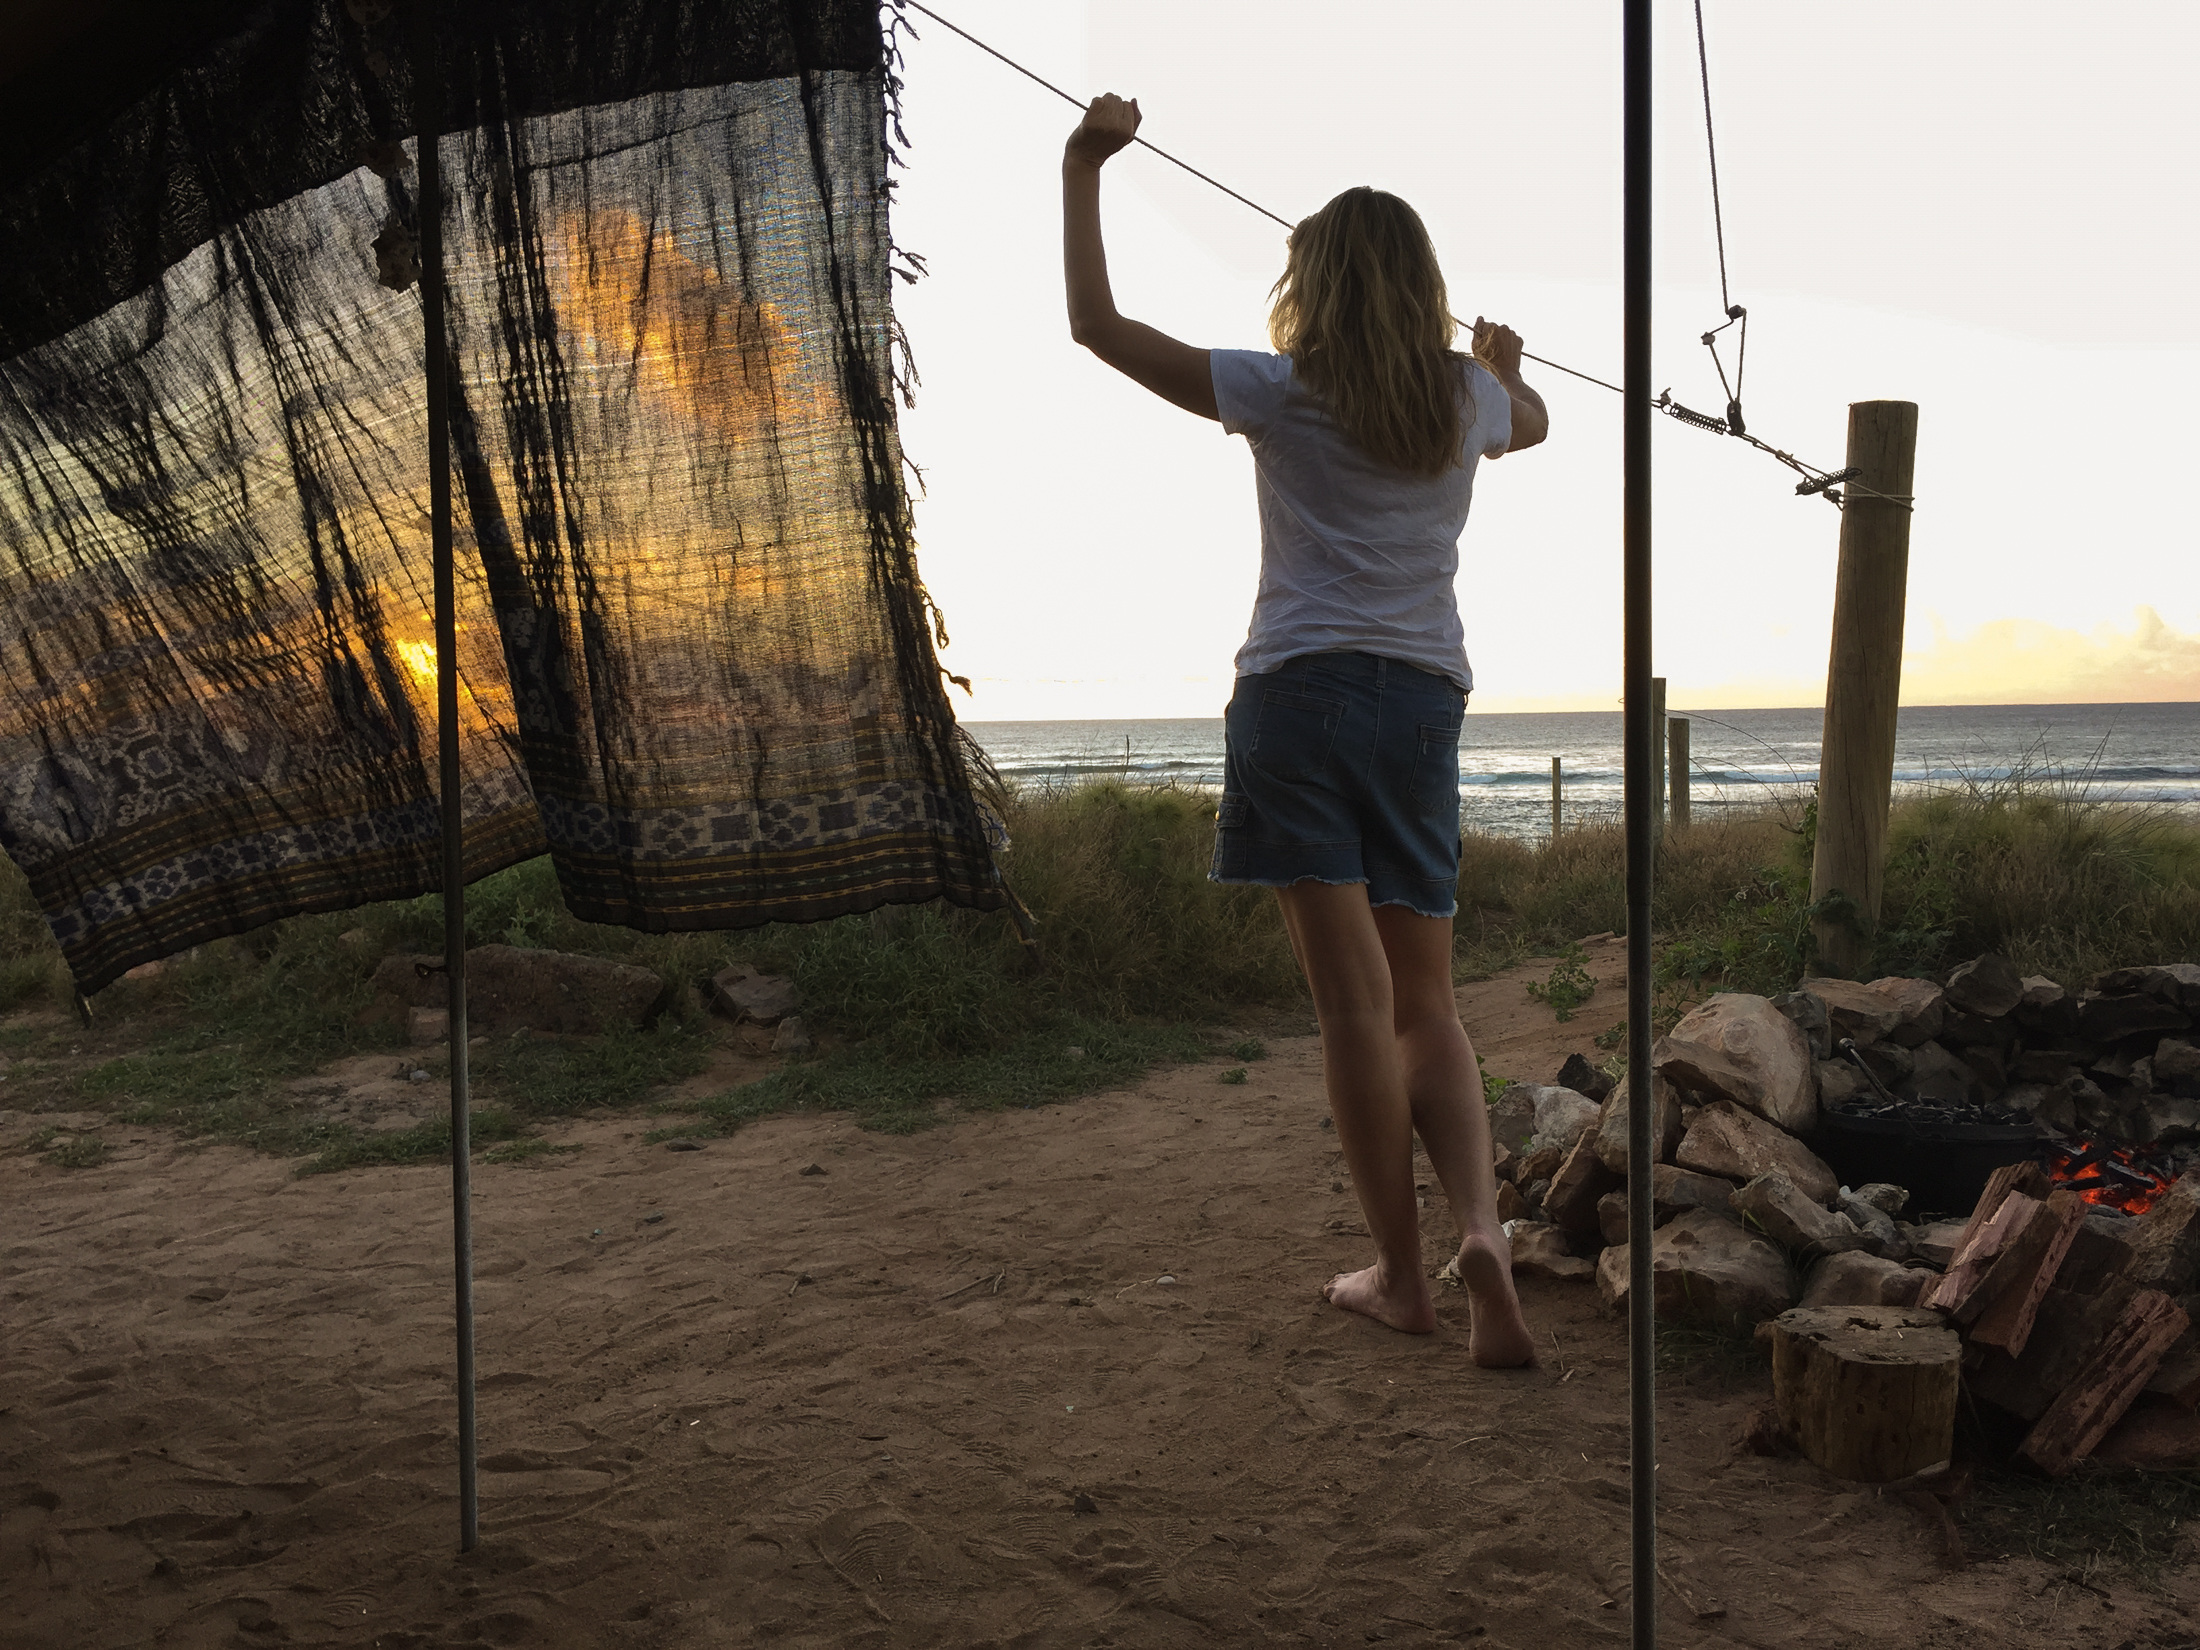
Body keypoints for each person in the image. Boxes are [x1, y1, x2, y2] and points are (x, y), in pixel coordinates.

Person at [1062, 94, 1547, 1367]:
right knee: (1427, 1003)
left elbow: (1097, 328)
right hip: (1420, 703)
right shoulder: (1467, 399)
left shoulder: (1277, 389)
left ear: (1311, 285)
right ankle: (1482, 1230)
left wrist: (1083, 165)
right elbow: (1535, 423)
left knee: (1353, 1011)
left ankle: (1403, 1280)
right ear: (1424, 290)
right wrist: (1503, 364)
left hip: (1296, 698)